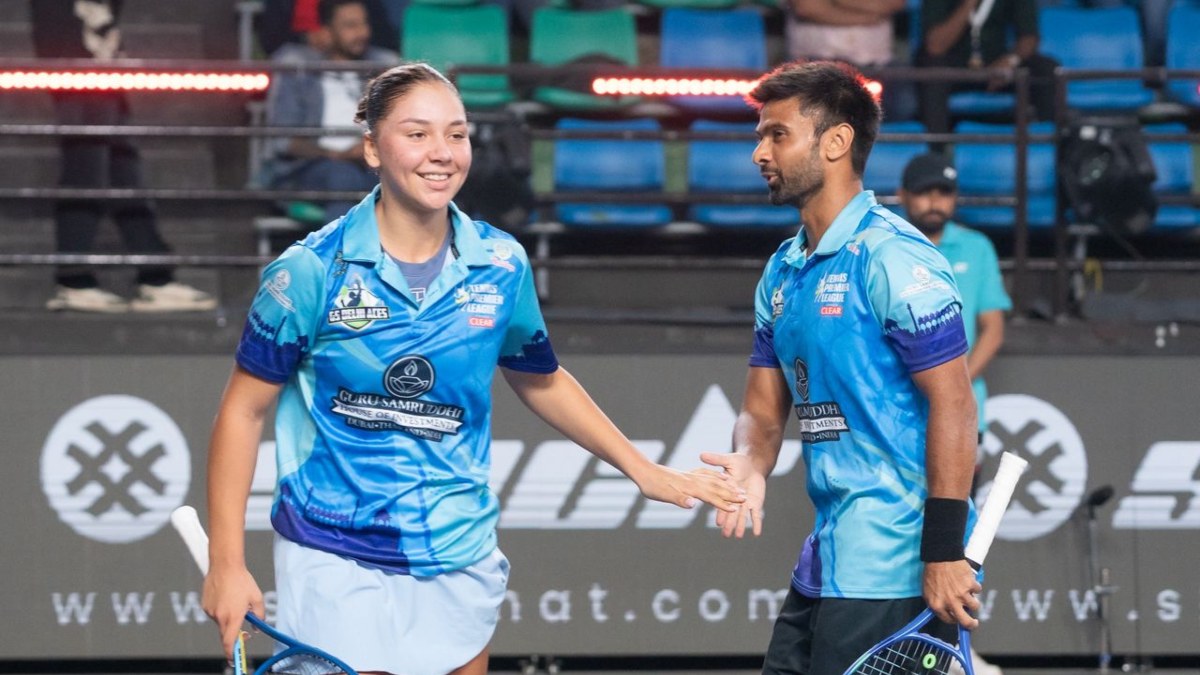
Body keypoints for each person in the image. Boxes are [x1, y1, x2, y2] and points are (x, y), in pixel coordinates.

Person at [201, 63, 745, 675]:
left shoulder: (501, 264)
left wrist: (643, 470)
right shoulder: (309, 271)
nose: (442, 153)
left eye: (456, 134)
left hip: (457, 545)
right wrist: (228, 561)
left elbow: (540, 377)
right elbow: (243, 411)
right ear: (372, 149)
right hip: (335, 547)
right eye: (417, 134)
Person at [699, 61, 981, 675]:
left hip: (896, 559)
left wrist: (943, 550)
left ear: (836, 141)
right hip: (827, 557)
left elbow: (955, 404)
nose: (758, 152)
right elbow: (762, 410)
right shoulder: (782, 270)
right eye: (759, 135)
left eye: (777, 135)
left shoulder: (896, 260)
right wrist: (751, 460)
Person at [30, 0, 217, 313]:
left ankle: (154, 277)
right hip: (78, 69)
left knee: (123, 171)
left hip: (102, 67)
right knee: (86, 171)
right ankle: (74, 281)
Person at [899, 153, 1009, 675]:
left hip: (963, 417)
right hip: (902, 416)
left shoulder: (977, 248)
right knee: (902, 526)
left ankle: (957, 645)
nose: (934, 203)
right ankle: (911, 642)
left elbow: (993, 326)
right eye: (924, 193)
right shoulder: (889, 248)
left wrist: (954, 385)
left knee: (961, 537)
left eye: (943, 194)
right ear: (903, 196)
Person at [262, 0, 400, 225]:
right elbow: (284, 141)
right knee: (343, 176)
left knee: (395, 179)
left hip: (369, 163)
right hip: (311, 167)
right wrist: (337, 155)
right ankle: (342, 258)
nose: (362, 33)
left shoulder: (379, 68)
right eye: (350, 26)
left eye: (364, 24)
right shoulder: (301, 70)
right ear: (327, 32)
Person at [917, 0, 1059, 137]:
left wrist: (1011, 60)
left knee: (1046, 68)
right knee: (932, 70)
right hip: (954, 71)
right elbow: (935, 47)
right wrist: (968, 5)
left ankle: (1048, 147)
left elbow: (1030, 37)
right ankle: (935, 151)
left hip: (998, 68)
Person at [781, 0, 917, 120]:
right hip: (813, 65)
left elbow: (894, 3)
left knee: (904, 107)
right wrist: (869, 16)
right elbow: (806, 7)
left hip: (879, 64)